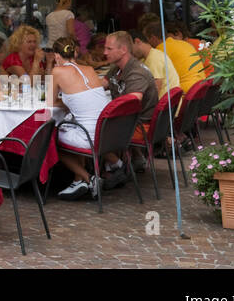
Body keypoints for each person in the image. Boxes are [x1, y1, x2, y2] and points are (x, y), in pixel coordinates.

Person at [51, 36, 112, 199]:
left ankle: (88, 177)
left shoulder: (57, 71)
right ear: (75, 54)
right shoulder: (90, 70)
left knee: (51, 139)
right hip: (107, 134)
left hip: (89, 136)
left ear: (56, 56)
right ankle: (78, 180)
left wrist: (65, 101)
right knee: (72, 127)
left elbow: (50, 103)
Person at [101, 31, 157, 187]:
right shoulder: (117, 68)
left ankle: (117, 167)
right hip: (131, 121)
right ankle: (130, 160)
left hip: (139, 126)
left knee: (92, 131)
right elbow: (100, 85)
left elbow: (131, 102)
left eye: (109, 49)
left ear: (123, 50)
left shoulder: (136, 72)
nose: (104, 52)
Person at [148, 22, 207, 94]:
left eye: (147, 40)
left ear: (153, 38)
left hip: (186, 92)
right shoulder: (185, 43)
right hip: (203, 86)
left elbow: (158, 83)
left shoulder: (159, 50)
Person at [132, 31, 173, 99]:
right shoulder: (149, 56)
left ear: (137, 41)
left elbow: (155, 92)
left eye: (130, 48)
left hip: (165, 105)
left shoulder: (154, 58)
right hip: (169, 101)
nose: (130, 52)